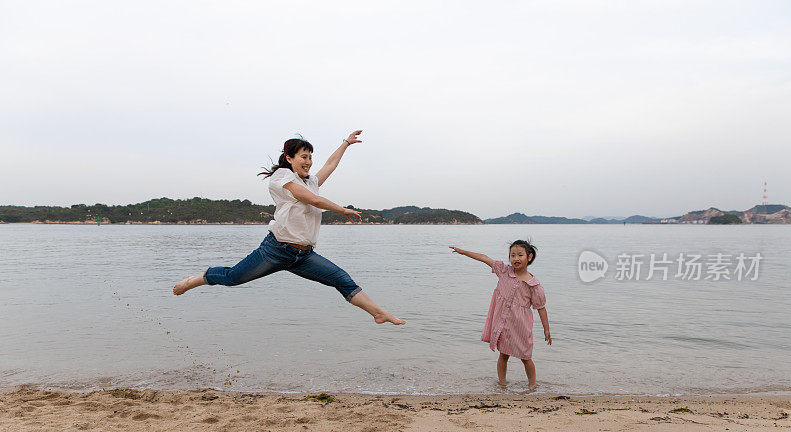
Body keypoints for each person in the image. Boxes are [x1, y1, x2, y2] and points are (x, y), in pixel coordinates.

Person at [173, 131, 405, 326]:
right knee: (233, 277)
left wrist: (345, 143)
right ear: (289, 158)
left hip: (304, 256)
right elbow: (311, 200)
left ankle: (378, 313)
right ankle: (196, 280)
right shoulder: (281, 177)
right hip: (276, 250)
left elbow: (330, 166)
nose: (309, 161)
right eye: (304, 156)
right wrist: (342, 210)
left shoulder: (310, 182)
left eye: (310, 157)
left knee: (342, 279)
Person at [450, 240, 551, 389]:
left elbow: (541, 308)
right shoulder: (504, 272)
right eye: (512, 255)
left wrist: (546, 329)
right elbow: (485, 258)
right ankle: (502, 384)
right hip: (503, 323)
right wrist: (464, 252)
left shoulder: (534, 285)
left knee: (526, 357)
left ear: (529, 257)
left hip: (521, 326)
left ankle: (532, 386)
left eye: (520, 255)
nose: (516, 258)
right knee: (503, 354)